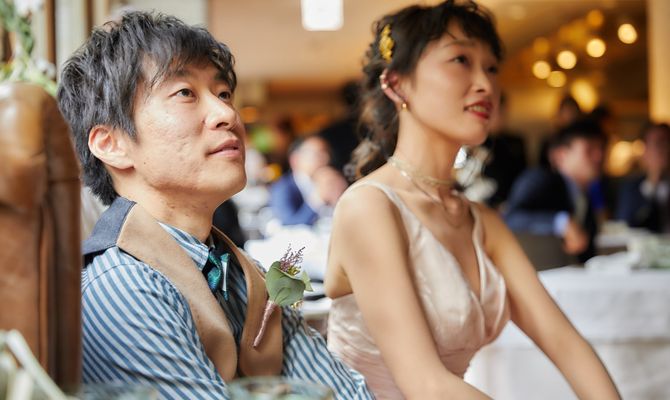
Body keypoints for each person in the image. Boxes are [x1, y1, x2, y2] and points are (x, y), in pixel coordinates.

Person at [57, 11, 372, 399]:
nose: (228, 114)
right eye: (184, 93)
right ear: (112, 144)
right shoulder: (124, 286)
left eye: (223, 94)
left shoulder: (245, 274)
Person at [324, 1, 620, 399]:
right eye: (461, 60)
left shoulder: (482, 222)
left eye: (492, 68)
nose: (486, 84)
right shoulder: (369, 207)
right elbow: (424, 384)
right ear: (396, 84)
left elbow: (564, 342)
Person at [505, 119, 606, 263]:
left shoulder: (584, 195)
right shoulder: (540, 180)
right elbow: (511, 219)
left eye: (601, 149)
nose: (599, 156)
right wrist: (560, 222)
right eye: (589, 150)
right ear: (561, 155)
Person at [270, 135, 347, 226]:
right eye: (318, 154)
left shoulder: (330, 178)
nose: (326, 159)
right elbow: (289, 224)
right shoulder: (281, 188)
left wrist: (341, 195)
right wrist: (318, 198)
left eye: (327, 153)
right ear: (295, 159)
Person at [616, 122, 670, 233]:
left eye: (667, 142)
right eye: (658, 144)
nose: (665, 149)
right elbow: (624, 225)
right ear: (645, 151)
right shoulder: (631, 188)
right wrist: (653, 183)